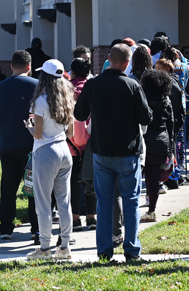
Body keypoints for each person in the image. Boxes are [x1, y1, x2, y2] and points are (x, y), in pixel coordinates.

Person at [74, 43, 152, 261]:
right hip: (128, 151)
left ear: (108, 58)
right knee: (131, 201)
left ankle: (104, 251)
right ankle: (132, 250)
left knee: (104, 202)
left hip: (101, 151)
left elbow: (79, 114)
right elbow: (146, 118)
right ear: (128, 63)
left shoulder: (93, 85)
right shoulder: (132, 86)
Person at [24, 59, 76, 260]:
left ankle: (45, 248)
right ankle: (64, 246)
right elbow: (70, 133)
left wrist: (28, 127)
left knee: (44, 203)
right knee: (64, 202)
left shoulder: (40, 101)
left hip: (45, 152)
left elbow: (37, 134)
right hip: (64, 150)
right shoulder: (67, 98)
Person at [0, 50, 40, 242]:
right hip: (32, 143)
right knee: (33, 187)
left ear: (11, 66)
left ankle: (6, 228)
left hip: (7, 142)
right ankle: (36, 227)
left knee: (8, 188)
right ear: (29, 66)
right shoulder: (38, 86)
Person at [139, 70, 174, 223]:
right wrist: (171, 148)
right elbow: (171, 124)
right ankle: (151, 210)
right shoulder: (166, 101)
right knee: (153, 179)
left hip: (143, 141)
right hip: (161, 141)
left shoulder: (142, 99)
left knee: (135, 177)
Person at [68, 58, 97, 232]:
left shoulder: (66, 88)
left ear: (72, 71)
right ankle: (91, 217)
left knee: (73, 181)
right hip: (91, 140)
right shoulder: (92, 86)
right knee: (90, 178)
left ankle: (75, 219)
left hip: (70, 141)